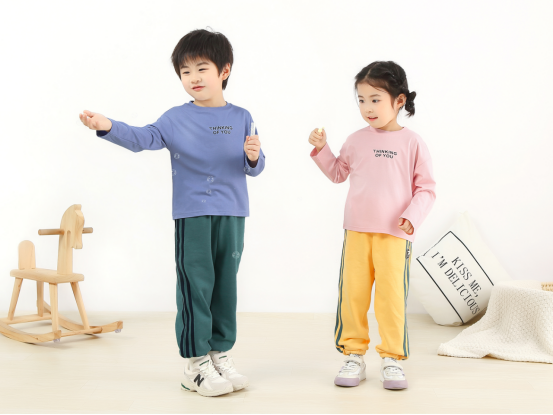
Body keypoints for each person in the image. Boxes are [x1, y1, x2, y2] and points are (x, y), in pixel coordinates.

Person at [79, 29, 265, 398]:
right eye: (185, 71)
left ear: (224, 70)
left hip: (232, 214)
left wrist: (254, 156)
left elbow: (254, 167)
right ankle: (195, 365)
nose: (193, 77)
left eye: (202, 68)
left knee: (225, 287)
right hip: (193, 215)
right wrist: (108, 126)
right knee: (196, 286)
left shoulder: (243, 116)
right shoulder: (175, 118)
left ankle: (218, 354)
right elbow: (143, 138)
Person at [308, 61, 436, 390]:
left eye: (375, 99)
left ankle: (392, 358)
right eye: (362, 100)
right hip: (357, 232)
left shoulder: (413, 143)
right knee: (353, 295)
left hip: (395, 235)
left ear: (399, 100)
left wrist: (413, 216)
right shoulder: (355, 140)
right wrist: (322, 149)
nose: (367, 107)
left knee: (391, 298)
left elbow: (426, 189)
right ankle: (353, 355)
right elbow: (338, 173)